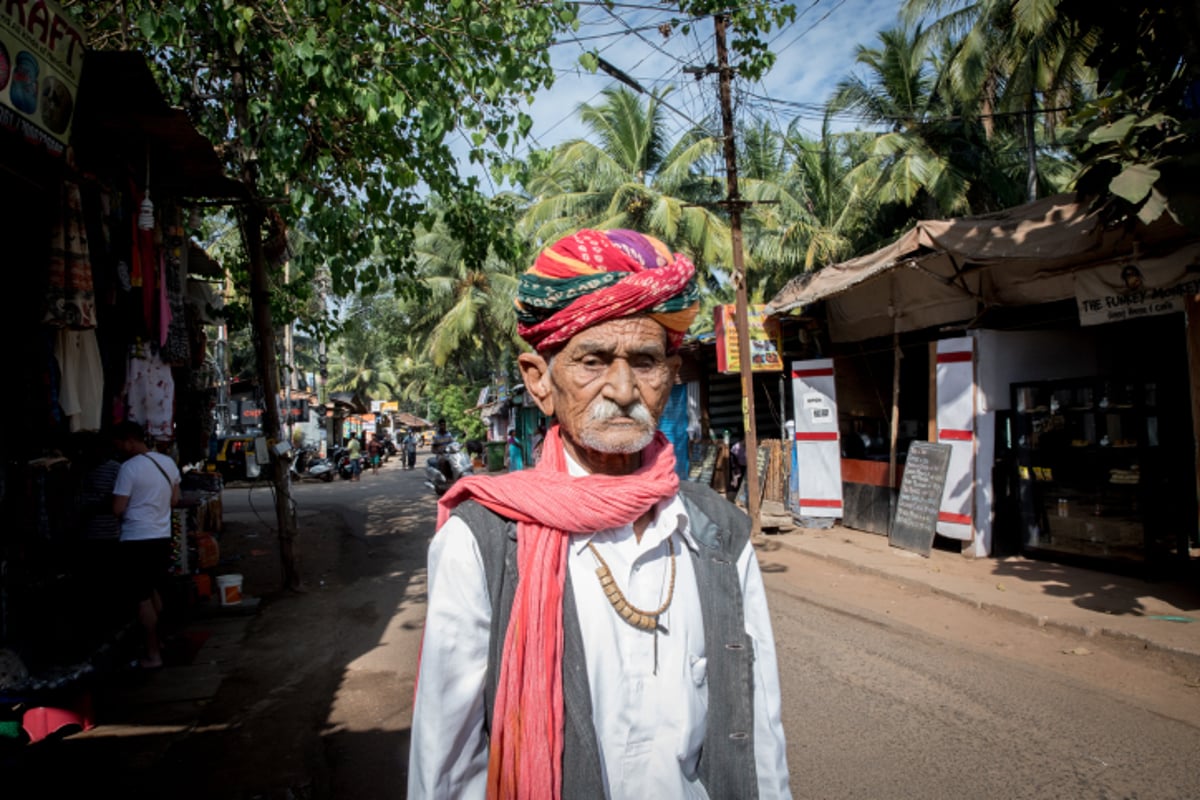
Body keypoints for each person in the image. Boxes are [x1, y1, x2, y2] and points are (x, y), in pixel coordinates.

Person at [409, 229, 791, 799]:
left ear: (671, 374)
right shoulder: (482, 542)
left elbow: (760, 736)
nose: (621, 387)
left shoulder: (719, 532)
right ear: (539, 381)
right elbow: (445, 767)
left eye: (644, 361)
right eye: (592, 360)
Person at [111, 420, 180, 670]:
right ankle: (160, 642)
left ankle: (153, 654)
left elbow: (117, 508)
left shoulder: (128, 468)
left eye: (119, 443)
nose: (118, 448)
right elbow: (174, 499)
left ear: (129, 441)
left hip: (136, 539)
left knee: (141, 598)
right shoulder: (167, 462)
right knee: (155, 591)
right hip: (162, 536)